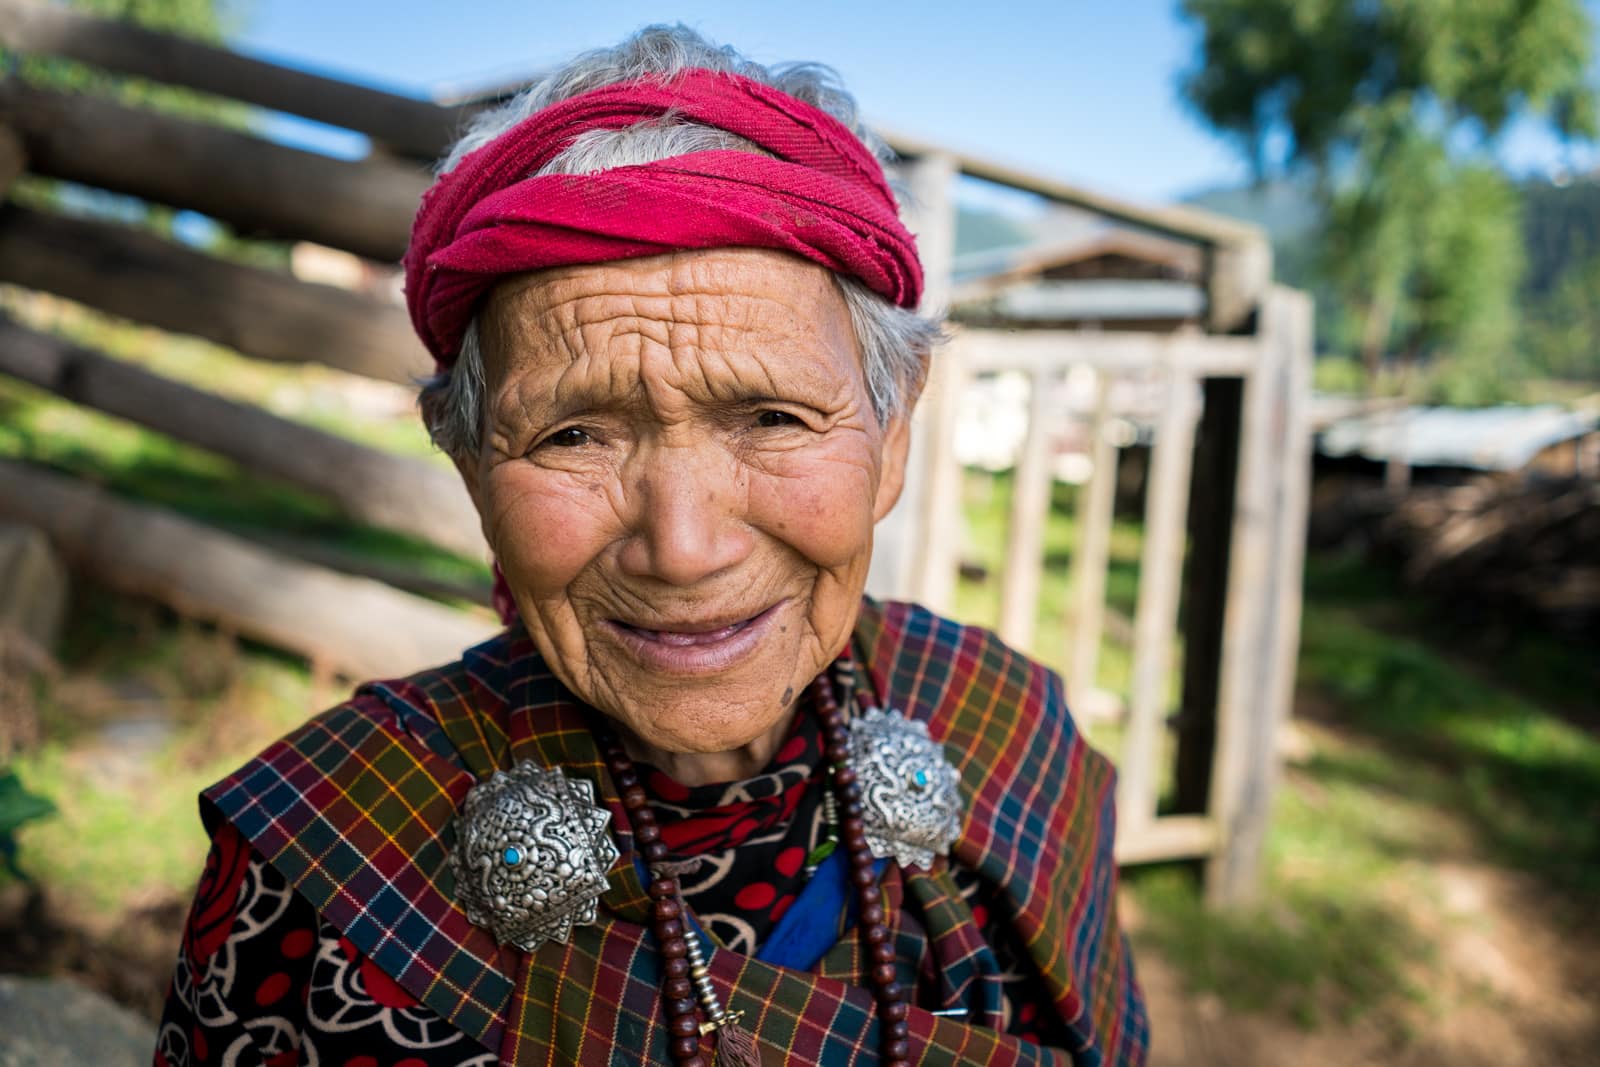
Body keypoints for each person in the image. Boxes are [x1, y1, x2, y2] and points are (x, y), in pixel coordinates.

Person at [154, 25, 1148, 1067]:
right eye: (572, 434)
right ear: (471, 468)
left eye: (769, 417)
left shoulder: (1007, 733)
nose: (683, 547)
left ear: (891, 436)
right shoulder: (328, 859)